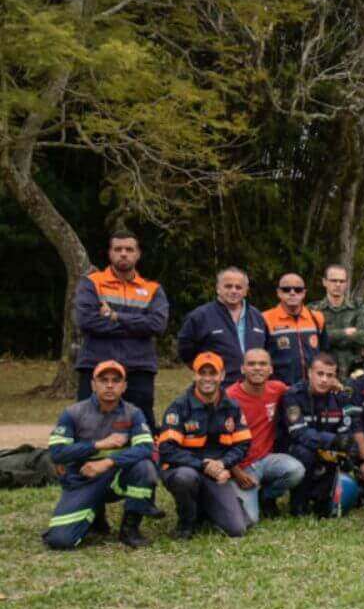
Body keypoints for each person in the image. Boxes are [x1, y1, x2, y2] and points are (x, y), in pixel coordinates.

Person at [42, 360, 157, 550]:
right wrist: (97, 445)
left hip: (115, 478)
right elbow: (57, 453)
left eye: (116, 380)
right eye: (103, 380)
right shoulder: (73, 413)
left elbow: (145, 447)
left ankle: (130, 530)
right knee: (60, 541)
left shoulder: (134, 413)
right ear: (93, 384)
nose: (110, 385)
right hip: (82, 478)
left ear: (124, 386)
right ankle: (95, 515)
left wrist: (108, 462)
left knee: (144, 468)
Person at [72, 231, 168, 427]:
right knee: (87, 428)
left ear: (138, 254)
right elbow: (87, 322)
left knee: (141, 429)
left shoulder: (153, 289)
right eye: (118, 249)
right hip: (95, 366)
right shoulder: (91, 283)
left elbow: (157, 325)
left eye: (129, 249)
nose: (123, 254)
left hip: (138, 368)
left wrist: (116, 316)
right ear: (110, 253)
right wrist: (138, 324)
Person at [158, 353, 252, 540]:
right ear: (195, 375)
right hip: (184, 469)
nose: (207, 378)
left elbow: (243, 444)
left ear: (222, 375)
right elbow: (167, 449)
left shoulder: (232, 406)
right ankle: (186, 523)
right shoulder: (179, 407)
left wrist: (223, 464)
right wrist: (204, 465)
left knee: (237, 529)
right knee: (185, 478)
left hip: (217, 472)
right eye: (202, 373)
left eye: (213, 373)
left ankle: (208, 508)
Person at [226, 348, 306, 524]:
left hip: (266, 459)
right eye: (251, 364)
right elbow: (218, 442)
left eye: (262, 364)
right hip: (240, 467)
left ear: (270, 369)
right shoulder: (230, 397)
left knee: (296, 470)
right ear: (242, 369)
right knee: (250, 520)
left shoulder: (277, 389)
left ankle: (266, 496)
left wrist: (334, 385)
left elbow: (303, 392)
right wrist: (236, 472)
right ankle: (237, 496)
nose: (257, 368)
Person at [282, 353, 364, 518]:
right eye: (320, 374)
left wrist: (346, 447)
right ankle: (299, 503)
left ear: (335, 377)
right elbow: (299, 433)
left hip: (329, 454)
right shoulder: (293, 395)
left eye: (329, 375)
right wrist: (332, 440)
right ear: (309, 373)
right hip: (301, 452)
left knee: (348, 455)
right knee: (304, 452)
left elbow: (345, 433)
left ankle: (329, 498)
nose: (324, 380)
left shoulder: (340, 398)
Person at [177, 267, 267, 386]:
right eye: (228, 286)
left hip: (252, 389)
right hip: (218, 389)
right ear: (218, 288)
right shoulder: (200, 316)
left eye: (238, 287)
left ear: (246, 291)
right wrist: (208, 373)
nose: (233, 291)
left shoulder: (257, 316)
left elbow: (267, 350)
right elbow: (185, 351)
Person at [260, 272, 325, 388]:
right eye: (286, 289)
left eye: (298, 290)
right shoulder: (265, 318)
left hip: (313, 388)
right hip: (280, 389)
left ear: (304, 293)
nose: (292, 293)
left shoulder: (317, 318)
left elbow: (325, 352)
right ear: (279, 293)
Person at [312, 264, 364, 377]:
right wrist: (345, 333)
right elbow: (313, 339)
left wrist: (328, 336)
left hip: (353, 372)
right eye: (333, 281)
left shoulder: (358, 308)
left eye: (342, 281)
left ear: (346, 283)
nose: (338, 285)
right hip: (323, 374)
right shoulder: (313, 310)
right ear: (324, 282)